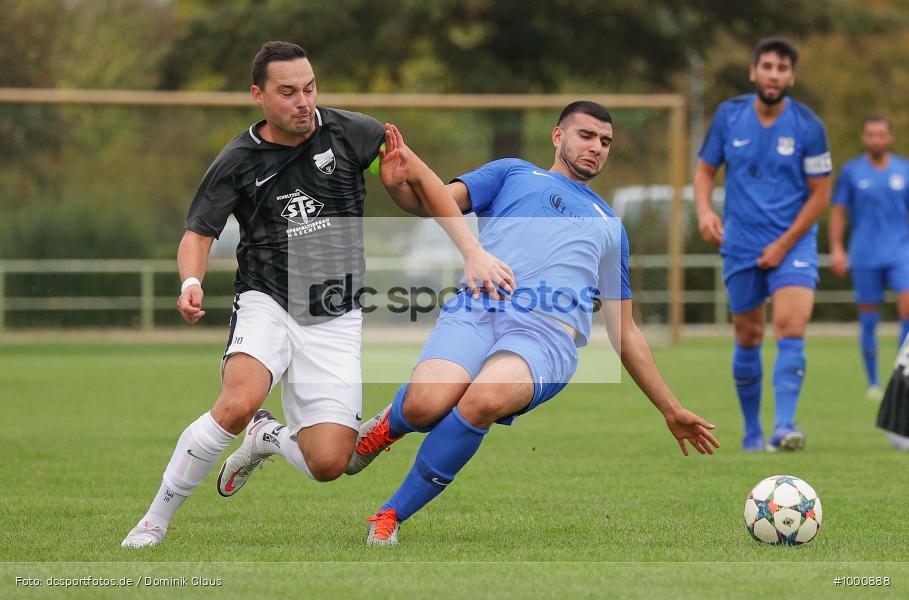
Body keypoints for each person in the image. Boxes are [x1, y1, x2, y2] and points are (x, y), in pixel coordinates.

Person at [121, 41, 513, 548]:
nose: (303, 101)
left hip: (335, 313)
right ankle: (154, 521)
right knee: (238, 403)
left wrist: (471, 250)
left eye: (309, 88)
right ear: (257, 95)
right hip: (268, 301)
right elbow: (198, 233)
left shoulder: (354, 133)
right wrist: (191, 282)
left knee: (330, 463)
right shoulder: (238, 160)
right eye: (287, 92)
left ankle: (268, 438)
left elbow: (422, 181)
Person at [343, 101, 720, 546]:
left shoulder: (610, 226)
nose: (596, 148)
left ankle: (389, 515)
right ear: (558, 136)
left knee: (481, 400)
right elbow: (433, 201)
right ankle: (388, 426)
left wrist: (670, 409)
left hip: (545, 339)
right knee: (427, 404)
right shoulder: (512, 173)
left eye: (605, 142)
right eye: (586, 135)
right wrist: (395, 187)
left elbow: (625, 329)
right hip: (478, 309)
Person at [693, 37, 832, 452]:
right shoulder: (729, 115)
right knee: (749, 335)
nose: (774, 74)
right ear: (754, 71)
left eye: (782, 68)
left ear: (792, 76)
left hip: (794, 246)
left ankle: (784, 427)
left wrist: (784, 244)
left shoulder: (809, 126)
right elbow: (705, 173)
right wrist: (704, 212)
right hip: (740, 244)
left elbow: (820, 194)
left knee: (791, 326)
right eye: (767, 66)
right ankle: (753, 433)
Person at [829, 116, 909, 401]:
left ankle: (899, 376)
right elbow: (838, 211)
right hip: (864, 255)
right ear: (864, 138)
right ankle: (874, 382)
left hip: (901, 252)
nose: (876, 140)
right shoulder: (851, 172)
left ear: (889, 138)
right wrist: (837, 248)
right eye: (871, 134)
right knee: (868, 321)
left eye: (881, 135)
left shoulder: (904, 169)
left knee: (907, 313)